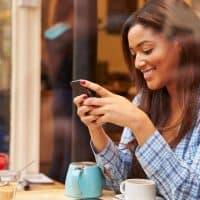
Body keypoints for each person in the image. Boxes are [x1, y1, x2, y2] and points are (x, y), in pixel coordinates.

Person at [73, 0, 200, 199]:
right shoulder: (145, 100)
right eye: (134, 54)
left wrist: (140, 124)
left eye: (147, 50)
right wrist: (95, 127)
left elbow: (192, 194)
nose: (138, 63)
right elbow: (120, 183)